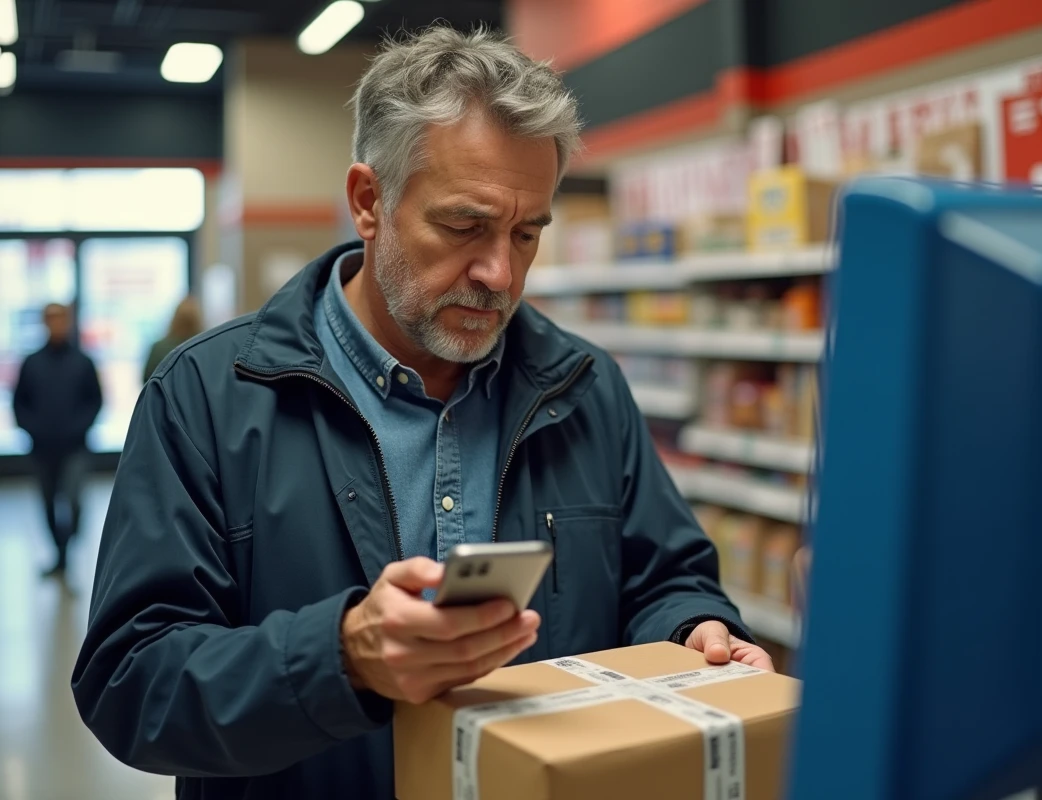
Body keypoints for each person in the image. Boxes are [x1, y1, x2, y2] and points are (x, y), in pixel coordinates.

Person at [72, 26, 772, 800]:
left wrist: (693, 631)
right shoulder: (207, 396)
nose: (499, 272)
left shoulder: (584, 387)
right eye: (464, 226)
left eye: (526, 233)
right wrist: (341, 659)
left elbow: (664, 576)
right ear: (369, 202)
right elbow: (131, 684)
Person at [12, 303, 103, 577]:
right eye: (51, 320)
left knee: (74, 501)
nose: (57, 325)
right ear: (45, 324)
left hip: (75, 447)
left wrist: (79, 428)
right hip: (42, 448)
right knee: (48, 502)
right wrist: (32, 429)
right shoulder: (32, 362)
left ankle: (67, 548)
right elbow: (19, 404)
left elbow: (95, 401)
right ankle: (60, 556)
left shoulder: (83, 361)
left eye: (61, 320)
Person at [142, 295, 204, 382]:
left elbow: (146, 381)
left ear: (175, 319)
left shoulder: (158, 348)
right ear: (198, 321)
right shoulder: (203, 349)